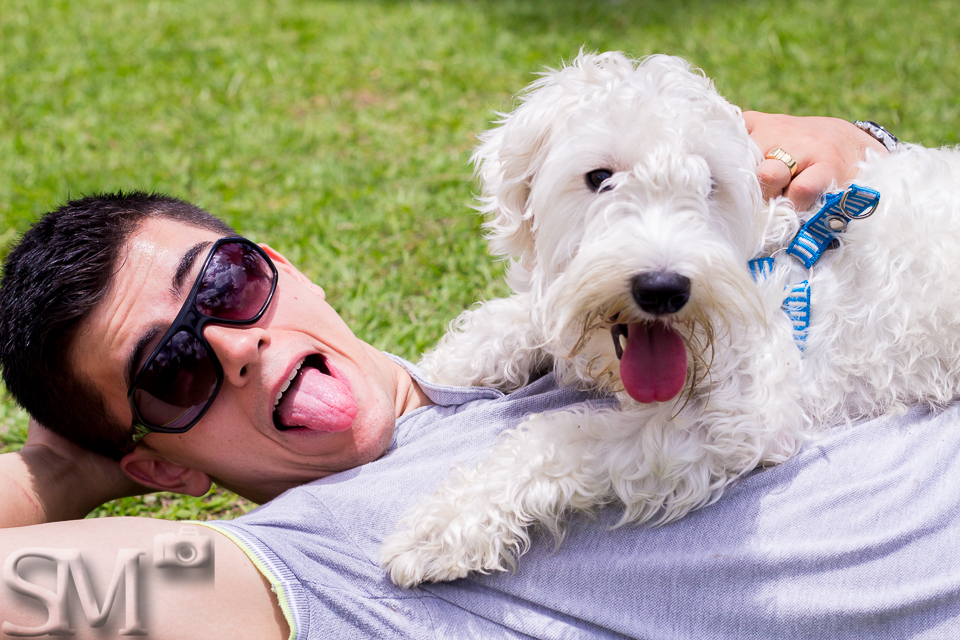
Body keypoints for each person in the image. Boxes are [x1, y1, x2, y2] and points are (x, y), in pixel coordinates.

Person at [1, 114, 955, 639]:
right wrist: (63, 474)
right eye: (169, 371)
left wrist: (850, 141)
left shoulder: (538, 333)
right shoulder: (326, 559)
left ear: (286, 265)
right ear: (161, 469)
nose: (232, 344)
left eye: (227, 283)